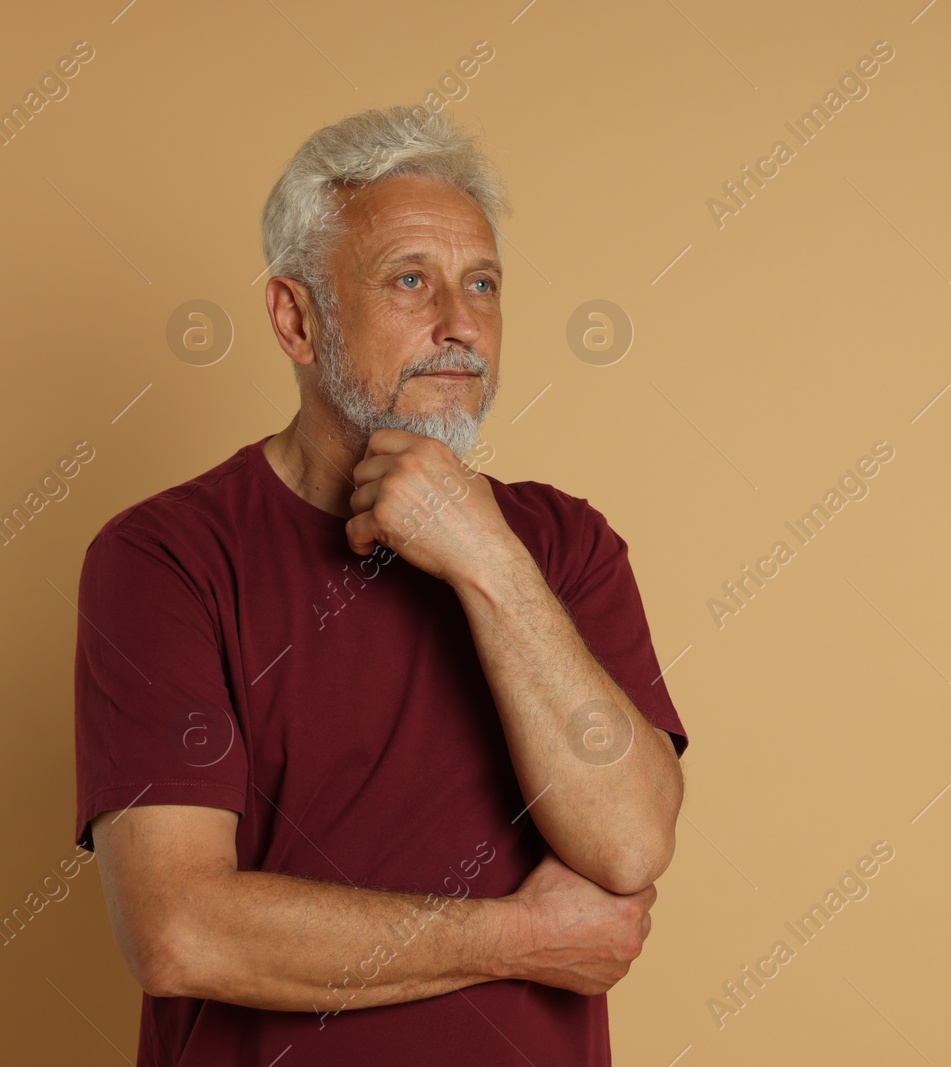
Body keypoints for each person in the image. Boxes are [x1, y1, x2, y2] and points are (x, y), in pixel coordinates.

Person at [72, 105, 688, 1066]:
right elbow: (179, 928)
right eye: (411, 280)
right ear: (296, 318)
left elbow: (632, 840)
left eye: (481, 284)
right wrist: (520, 937)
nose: (460, 324)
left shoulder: (565, 545)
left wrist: (484, 555)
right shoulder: (164, 556)